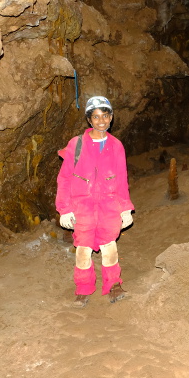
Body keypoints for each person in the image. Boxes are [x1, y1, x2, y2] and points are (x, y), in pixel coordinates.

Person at [56, 96, 134, 308]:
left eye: (105, 116)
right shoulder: (76, 144)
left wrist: (125, 209)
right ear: (89, 120)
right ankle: (83, 288)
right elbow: (64, 178)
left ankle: (113, 285)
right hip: (83, 207)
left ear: (111, 118)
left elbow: (121, 178)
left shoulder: (116, 146)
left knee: (110, 247)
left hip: (109, 205)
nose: (101, 121)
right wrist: (64, 210)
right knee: (83, 250)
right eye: (96, 117)